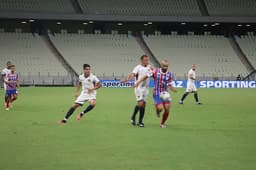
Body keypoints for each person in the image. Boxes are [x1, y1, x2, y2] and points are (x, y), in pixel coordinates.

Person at [134, 59, 177, 128]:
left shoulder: (170, 74)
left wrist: (173, 89)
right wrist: (138, 82)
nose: (165, 67)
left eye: (167, 66)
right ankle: (157, 110)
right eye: (164, 66)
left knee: (167, 109)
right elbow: (146, 76)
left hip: (165, 93)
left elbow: (170, 84)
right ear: (161, 65)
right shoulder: (155, 71)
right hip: (156, 92)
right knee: (160, 109)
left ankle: (162, 123)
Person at [122, 55, 152, 127]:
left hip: (146, 88)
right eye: (145, 60)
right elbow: (133, 74)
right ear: (141, 60)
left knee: (143, 105)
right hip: (138, 87)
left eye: (147, 60)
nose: (147, 62)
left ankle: (140, 121)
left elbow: (153, 72)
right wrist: (127, 79)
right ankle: (133, 116)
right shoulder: (137, 67)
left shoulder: (149, 67)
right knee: (140, 103)